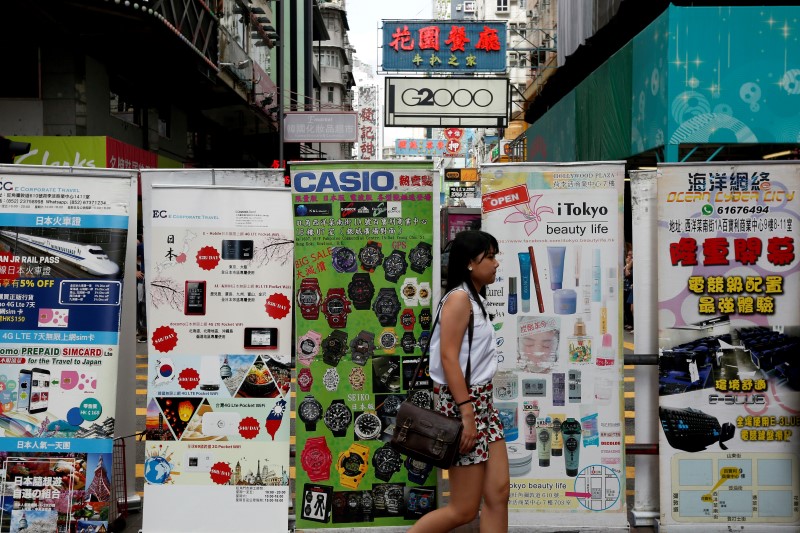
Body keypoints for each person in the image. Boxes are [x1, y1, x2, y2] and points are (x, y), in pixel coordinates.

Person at [409, 230, 509, 533]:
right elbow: (448, 359)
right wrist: (467, 413)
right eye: (489, 256)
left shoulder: (474, 298)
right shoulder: (458, 299)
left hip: (483, 405)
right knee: (463, 510)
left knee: (499, 492)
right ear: (469, 263)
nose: (496, 263)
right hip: (464, 405)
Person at [136, 235, 147, 342]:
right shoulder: (143, 246)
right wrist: (136, 271)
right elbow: (130, 255)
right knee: (142, 306)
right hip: (143, 281)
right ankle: (143, 333)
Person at [623, 245, 634, 332]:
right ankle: (628, 322)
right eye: (628, 255)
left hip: (630, 288)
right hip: (625, 289)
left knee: (631, 308)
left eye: (630, 255)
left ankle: (632, 324)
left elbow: (627, 274)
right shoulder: (627, 265)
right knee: (627, 307)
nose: (628, 257)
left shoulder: (633, 265)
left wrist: (628, 264)